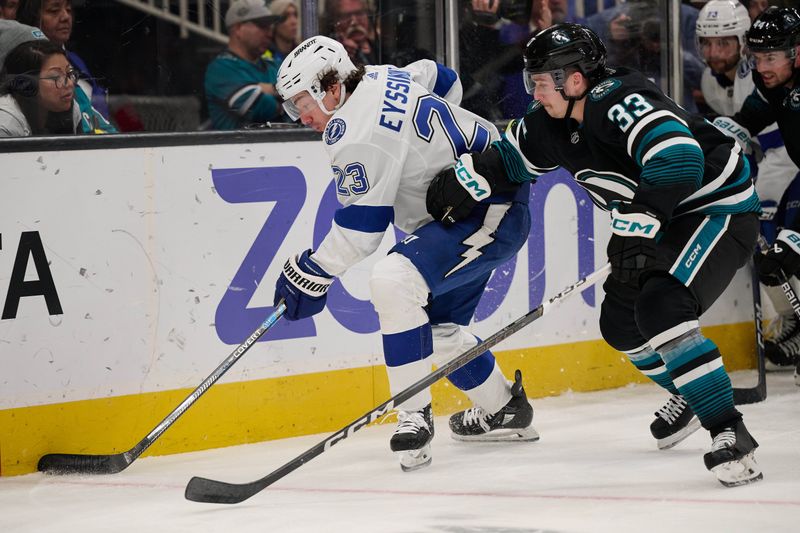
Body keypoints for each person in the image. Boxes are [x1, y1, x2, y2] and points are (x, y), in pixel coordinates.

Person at [426, 23, 763, 487]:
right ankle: (689, 391)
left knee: (662, 306)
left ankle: (729, 433)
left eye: (541, 82)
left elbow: (680, 157)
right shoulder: (548, 122)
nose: (534, 92)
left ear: (576, 80)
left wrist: (641, 221)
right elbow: (512, 159)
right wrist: (471, 177)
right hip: (658, 217)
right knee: (621, 326)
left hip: (715, 207)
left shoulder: (618, 99)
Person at [272, 35, 539, 472]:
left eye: (303, 102)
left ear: (331, 87)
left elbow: (363, 230)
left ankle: (413, 416)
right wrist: (437, 155)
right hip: (475, 206)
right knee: (433, 329)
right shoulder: (383, 76)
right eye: (292, 105)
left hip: (487, 211)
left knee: (393, 281)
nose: (300, 115)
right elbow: (442, 76)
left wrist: (312, 271)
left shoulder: (354, 133)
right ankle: (505, 408)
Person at [697, 1, 800, 372]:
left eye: (771, 57)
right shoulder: (768, 81)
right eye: (758, 57)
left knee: (788, 247)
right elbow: (746, 121)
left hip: (786, 169)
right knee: (778, 253)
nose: (762, 67)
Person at [16, 0, 111, 120]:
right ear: (33, 17)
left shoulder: (77, 60)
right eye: (54, 11)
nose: (66, 17)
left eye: (69, 10)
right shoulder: (22, 63)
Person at [0, 38, 110, 135]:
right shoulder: (5, 122)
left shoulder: (73, 109)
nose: (70, 84)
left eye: (70, 73)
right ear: (24, 85)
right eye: (55, 78)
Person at [204, 0, 282, 130]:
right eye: (263, 26)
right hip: (235, 148)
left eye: (270, 27)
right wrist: (285, 97)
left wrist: (267, 89)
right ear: (238, 29)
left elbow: (304, 101)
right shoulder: (220, 68)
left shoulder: (274, 65)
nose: (269, 33)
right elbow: (259, 106)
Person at [326, 0, 377, 65]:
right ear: (335, 20)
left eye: (359, 13)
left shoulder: (382, 49)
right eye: (345, 16)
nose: (354, 22)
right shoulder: (331, 54)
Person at [266, 0, 299, 68]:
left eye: (295, 15)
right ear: (275, 22)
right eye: (285, 16)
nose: (294, 21)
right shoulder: (263, 56)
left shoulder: (302, 53)